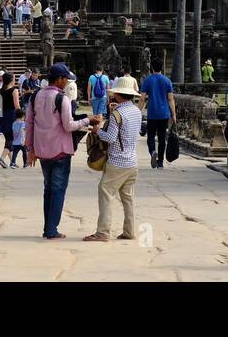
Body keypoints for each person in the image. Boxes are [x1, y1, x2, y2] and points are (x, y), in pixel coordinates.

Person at [26, 63, 97, 239]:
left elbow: (29, 124)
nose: (66, 82)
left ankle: (48, 227)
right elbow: (69, 125)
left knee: (48, 188)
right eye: (65, 79)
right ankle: (51, 229)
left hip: (42, 150)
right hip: (60, 151)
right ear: (59, 79)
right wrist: (87, 120)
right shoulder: (61, 99)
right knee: (58, 189)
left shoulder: (35, 96)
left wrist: (30, 148)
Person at [82, 75, 144, 242]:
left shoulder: (117, 114)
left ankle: (103, 232)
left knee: (105, 192)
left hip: (117, 162)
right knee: (128, 198)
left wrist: (97, 131)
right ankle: (129, 231)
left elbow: (110, 138)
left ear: (117, 94)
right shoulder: (137, 112)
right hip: (132, 161)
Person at [139, 60, 175, 168]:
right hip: (164, 114)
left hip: (152, 113)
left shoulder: (148, 80)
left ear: (152, 67)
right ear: (162, 67)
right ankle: (160, 162)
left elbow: (142, 98)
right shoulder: (167, 81)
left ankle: (152, 151)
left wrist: (137, 112)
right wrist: (174, 114)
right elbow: (170, 99)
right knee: (162, 137)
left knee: (150, 136)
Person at [0, 72, 21, 167]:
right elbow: (17, 105)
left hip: (2, 115)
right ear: (11, 80)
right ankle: (2, 158)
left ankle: (12, 162)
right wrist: (21, 117)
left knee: (8, 138)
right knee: (12, 139)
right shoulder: (14, 91)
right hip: (11, 115)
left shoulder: (0, 91)